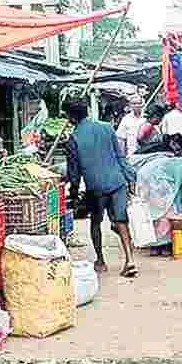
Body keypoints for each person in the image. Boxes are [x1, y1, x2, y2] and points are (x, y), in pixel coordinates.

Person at [65, 100, 138, 277]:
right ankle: (129, 260)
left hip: (95, 186)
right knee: (121, 220)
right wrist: (130, 178)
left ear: (71, 117)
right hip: (117, 181)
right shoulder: (107, 127)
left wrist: (73, 193)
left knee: (96, 222)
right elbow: (120, 156)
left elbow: (74, 172)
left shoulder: (74, 138)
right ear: (87, 111)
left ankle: (100, 260)